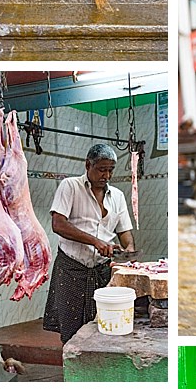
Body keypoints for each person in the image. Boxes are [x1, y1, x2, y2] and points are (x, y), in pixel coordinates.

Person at [43, 143, 135, 344]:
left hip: (102, 271)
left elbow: (125, 233)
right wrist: (95, 241)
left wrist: (128, 253)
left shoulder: (117, 196)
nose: (107, 176)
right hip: (72, 268)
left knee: (103, 326)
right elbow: (58, 224)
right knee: (71, 331)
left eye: (111, 170)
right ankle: (73, 370)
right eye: (102, 169)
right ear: (88, 165)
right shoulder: (70, 186)